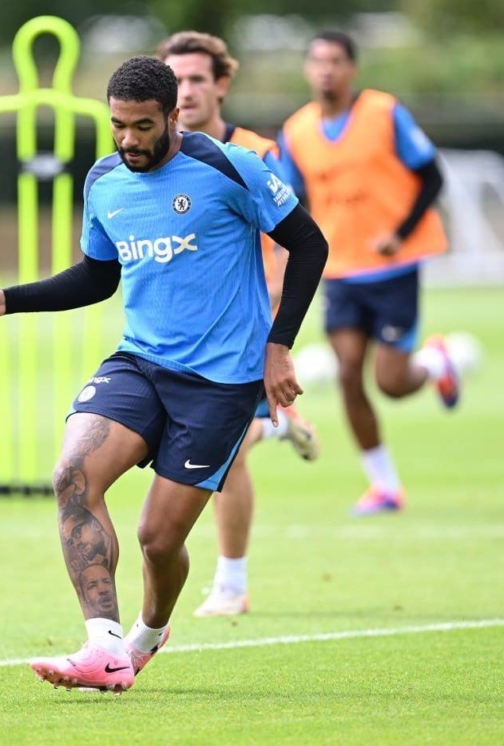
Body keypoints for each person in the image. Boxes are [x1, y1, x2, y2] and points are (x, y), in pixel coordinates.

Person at [0, 55, 328, 693]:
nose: (128, 139)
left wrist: (279, 346)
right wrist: (8, 299)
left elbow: (310, 242)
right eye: (118, 125)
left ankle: (147, 635)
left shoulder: (227, 167)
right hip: (140, 363)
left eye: (142, 126)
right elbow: (99, 276)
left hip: (220, 384)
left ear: (173, 115)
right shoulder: (104, 180)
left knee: (158, 539)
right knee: (72, 473)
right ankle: (102, 644)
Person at [156, 30, 320, 618]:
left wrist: (277, 314)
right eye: (175, 78)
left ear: (222, 83)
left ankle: (231, 583)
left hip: (247, 328)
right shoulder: (157, 152)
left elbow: (296, 235)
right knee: (223, 445)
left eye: (198, 78)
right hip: (180, 337)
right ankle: (278, 424)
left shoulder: (255, 152)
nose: (187, 90)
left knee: (228, 455)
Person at [276, 30, 459, 517]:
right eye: (317, 61)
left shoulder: (383, 112)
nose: (326, 70)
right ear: (306, 70)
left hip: (393, 268)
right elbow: (290, 204)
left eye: (336, 61)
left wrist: (399, 232)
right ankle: (384, 487)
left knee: (392, 384)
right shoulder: (295, 131)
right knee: (349, 375)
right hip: (339, 271)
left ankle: (436, 364)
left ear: (352, 68)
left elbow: (432, 174)